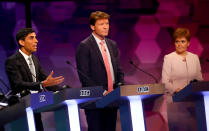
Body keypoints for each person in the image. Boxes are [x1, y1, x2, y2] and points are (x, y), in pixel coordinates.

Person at [5, 28, 64, 131]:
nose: (36, 41)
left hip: (36, 106)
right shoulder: (12, 61)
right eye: (31, 38)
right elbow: (18, 84)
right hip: (21, 109)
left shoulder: (35, 59)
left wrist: (62, 91)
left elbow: (45, 80)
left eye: (36, 38)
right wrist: (41, 84)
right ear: (21, 42)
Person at [76, 11, 124, 131]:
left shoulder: (112, 44)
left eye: (107, 23)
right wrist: (102, 92)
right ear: (92, 26)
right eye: (101, 24)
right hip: (95, 101)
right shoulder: (85, 46)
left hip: (112, 99)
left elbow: (118, 70)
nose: (105, 26)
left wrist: (120, 87)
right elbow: (84, 76)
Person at [162, 27, 203, 131]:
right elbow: (165, 82)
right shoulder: (169, 58)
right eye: (177, 41)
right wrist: (176, 90)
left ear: (188, 43)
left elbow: (199, 80)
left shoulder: (195, 58)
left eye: (183, 41)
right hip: (176, 103)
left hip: (193, 103)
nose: (179, 44)